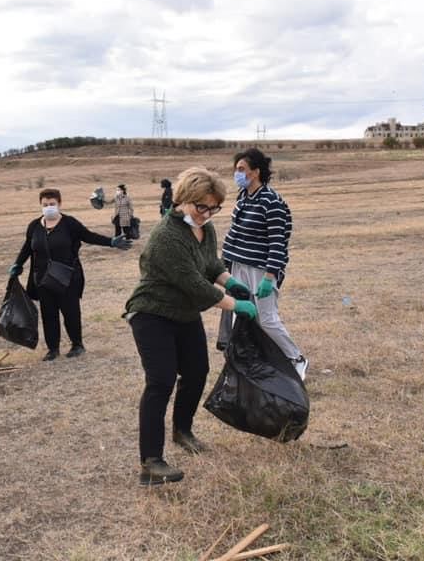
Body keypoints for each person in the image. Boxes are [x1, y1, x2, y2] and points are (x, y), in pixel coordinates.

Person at [125, 167, 258, 486]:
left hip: (184, 314)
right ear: (183, 199)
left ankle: (182, 431)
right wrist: (234, 304)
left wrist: (230, 281)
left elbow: (210, 264)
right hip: (152, 314)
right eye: (202, 207)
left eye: (214, 208)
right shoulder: (167, 237)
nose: (207, 214)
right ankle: (151, 463)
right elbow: (195, 286)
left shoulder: (204, 228)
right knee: (160, 381)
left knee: (197, 372)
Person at [10, 188, 132, 361]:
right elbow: (27, 247)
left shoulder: (69, 223)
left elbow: (88, 236)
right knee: (48, 314)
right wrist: (18, 264)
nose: (48, 207)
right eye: (45, 204)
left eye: (52, 204)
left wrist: (111, 242)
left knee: (71, 312)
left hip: (67, 277)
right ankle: (53, 349)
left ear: (59, 204)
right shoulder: (34, 226)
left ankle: (77, 345)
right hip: (42, 279)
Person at [217, 147, 307, 380]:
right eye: (236, 169)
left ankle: (296, 358)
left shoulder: (271, 201)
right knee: (241, 315)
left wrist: (270, 275)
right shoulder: (243, 198)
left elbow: (278, 242)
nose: (237, 174)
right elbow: (235, 232)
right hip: (238, 266)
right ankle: (249, 361)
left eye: (241, 169)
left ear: (255, 172)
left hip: (260, 269)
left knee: (266, 319)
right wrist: (225, 261)